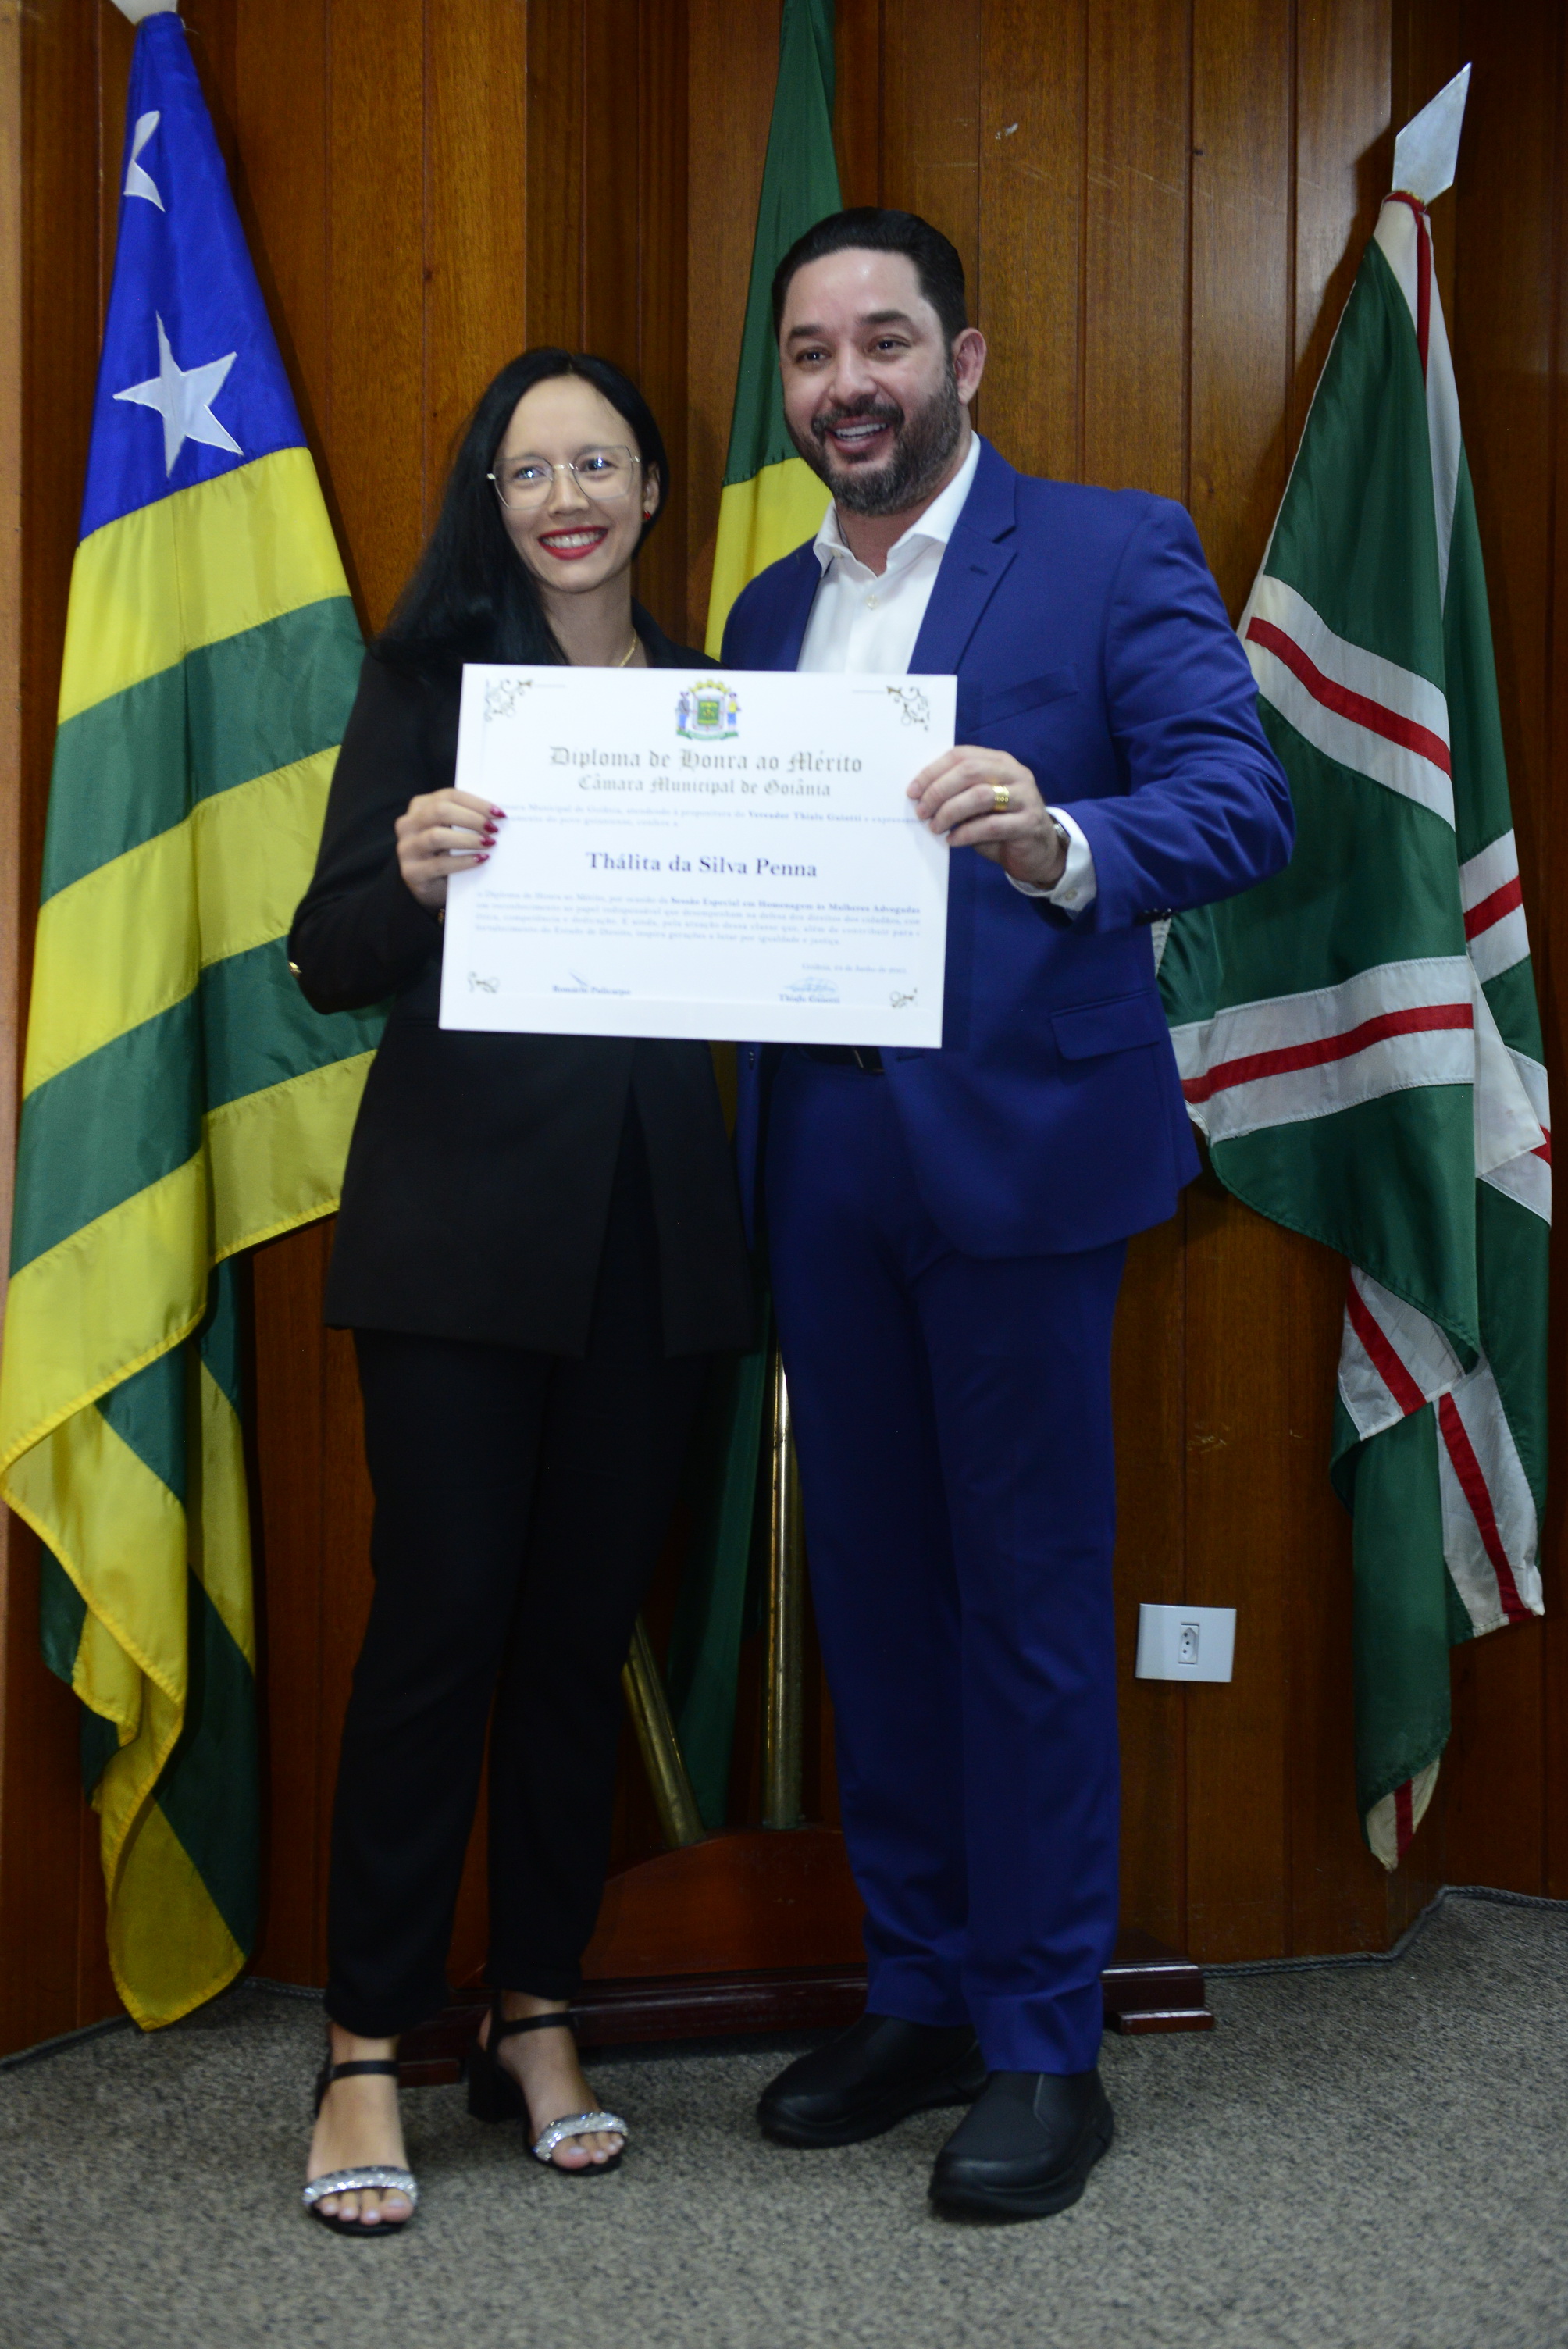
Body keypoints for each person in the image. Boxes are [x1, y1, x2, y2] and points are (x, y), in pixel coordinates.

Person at [722, 210, 1293, 2222]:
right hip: (817, 1152)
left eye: (884, 341)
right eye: (812, 352)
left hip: (1026, 1158)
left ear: (961, 359)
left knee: (1027, 1603)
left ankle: (1045, 2036)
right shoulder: (761, 615)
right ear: (785, 384)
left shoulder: (1111, 549)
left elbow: (1240, 797)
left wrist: (1057, 837)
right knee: (872, 1598)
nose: (848, 383)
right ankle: (922, 1993)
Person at [290, 349, 754, 2233]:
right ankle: (363, 2045)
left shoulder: (727, 706)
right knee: (437, 1636)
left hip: (651, 1241)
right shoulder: (426, 685)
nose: (567, 497)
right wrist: (410, 876)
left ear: (652, 489)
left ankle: (535, 2013)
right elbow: (324, 952)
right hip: (458, 1241)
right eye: (529, 468)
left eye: (598, 463)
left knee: (573, 1645)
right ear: (494, 499)